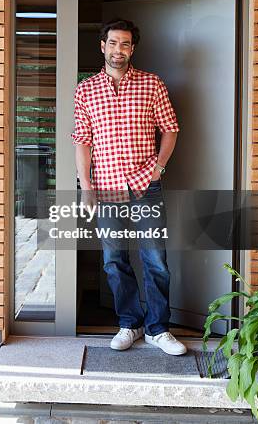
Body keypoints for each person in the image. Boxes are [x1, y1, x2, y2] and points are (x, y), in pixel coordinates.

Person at [71, 18, 187, 355]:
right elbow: (82, 140)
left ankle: (158, 329)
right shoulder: (86, 89)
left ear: (132, 48)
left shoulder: (152, 84)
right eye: (112, 43)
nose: (118, 49)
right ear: (102, 46)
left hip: (144, 185)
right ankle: (129, 323)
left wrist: (159, 167)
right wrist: (86, 186)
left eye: (124, 44)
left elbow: (170, 128)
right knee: (114, 259)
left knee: (155, 259)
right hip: (106, 187)